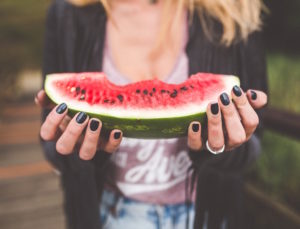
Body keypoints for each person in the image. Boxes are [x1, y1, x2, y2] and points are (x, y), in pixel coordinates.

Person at [35, 0, 268, 228]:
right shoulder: (67, 14)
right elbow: (51, 142)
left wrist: (219, 148)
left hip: (210, 214)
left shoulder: (233, 11)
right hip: (111, 213)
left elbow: (255, 143)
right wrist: (81, 151)